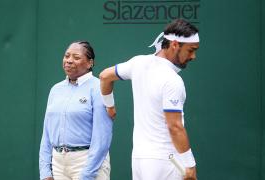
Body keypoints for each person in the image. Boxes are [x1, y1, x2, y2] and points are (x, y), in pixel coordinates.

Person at [99, 19, 199, 180]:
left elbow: (105, 76)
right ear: (174, 45)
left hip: (140, 160)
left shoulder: (138, 62)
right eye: (191, 50)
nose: (193, 56)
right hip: (166, 163)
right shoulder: (172, 81)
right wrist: (190, 164)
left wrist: (109, 106)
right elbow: (174, 126)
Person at [39, 41, 113, 180]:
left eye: (76, 57)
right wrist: (45, 171)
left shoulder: (99, 88)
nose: (69, 61)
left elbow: (102, 137)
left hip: (87, 163)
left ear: (90, 63)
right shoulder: (55, 90)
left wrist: (87, 174)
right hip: (58, 164)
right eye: (66, 56)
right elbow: (47, 133)